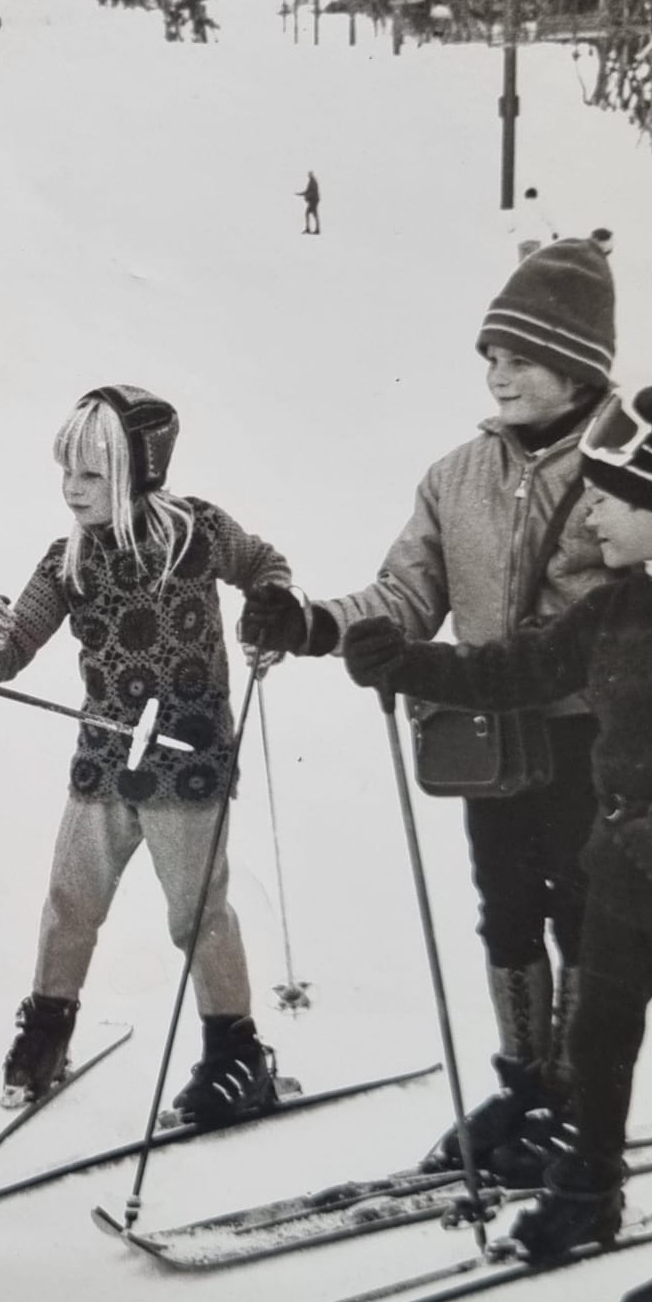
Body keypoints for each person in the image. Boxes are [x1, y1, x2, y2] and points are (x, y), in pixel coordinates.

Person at [342, 356, 652, 1302]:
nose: (586, 515)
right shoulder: (613, 606)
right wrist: (405, 660)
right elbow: (517, 669)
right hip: (612, 867)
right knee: (597, 1038)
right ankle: (586, 1191)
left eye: (606, 496)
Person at [240, 241, 617, 1178]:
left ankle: (575, 1100)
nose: (496, 373)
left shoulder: (620, 470)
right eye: (490, 354)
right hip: (486, 740)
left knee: (585, 915)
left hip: (587, 736)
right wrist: (314, 622)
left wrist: (440, 667)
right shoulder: (456, 476)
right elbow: (403, 595)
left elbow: (602, 628)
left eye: (518, 356)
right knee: (505, 912)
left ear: (576, 363)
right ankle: (525, 1086)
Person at [0, 386, 292, 1115]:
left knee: (195, 913)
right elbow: (11, 650)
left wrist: (270, 610)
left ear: (140, 472)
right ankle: (47, 1024)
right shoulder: (65, 562)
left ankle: (237, 1050)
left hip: (187, 761)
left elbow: (264, 563)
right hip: (104, 760)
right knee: (71, 901)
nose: (72, 489)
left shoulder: (196, 533)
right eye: (65, 471)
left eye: (92, 474)